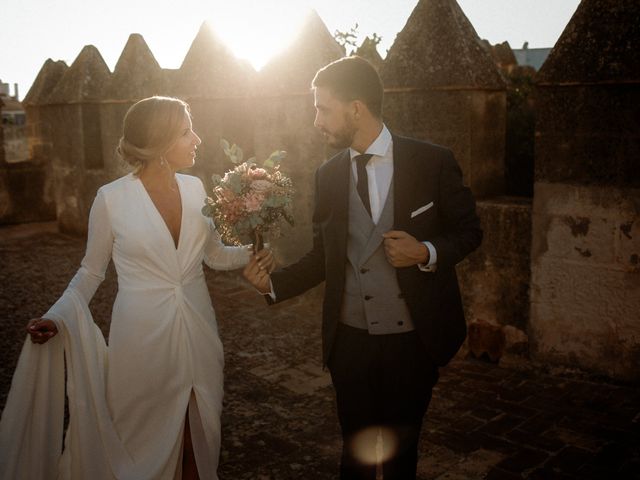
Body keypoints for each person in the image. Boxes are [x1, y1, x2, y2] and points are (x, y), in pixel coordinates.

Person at [0, 96, 273, 480]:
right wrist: (58, 317)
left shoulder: (196, 190)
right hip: (141, 340)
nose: (197, 137)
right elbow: (91, 272)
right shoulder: (111, 200)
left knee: (200, 441)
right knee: (141, 445)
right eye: (186, 131)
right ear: (160, 144)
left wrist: (254, 252)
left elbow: (213, 255)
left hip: (198, 331)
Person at [243, 56, 482, 479]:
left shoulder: (433, 162)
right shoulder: (328, 174)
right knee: (353, 458)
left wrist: (425, 251)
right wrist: (271, 284)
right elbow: (324, 256)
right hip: (349, 343)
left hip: (413, 343)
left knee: (401, 459)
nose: (316, 121)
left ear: (356, 108)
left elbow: (469, 231)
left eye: (322, 108)